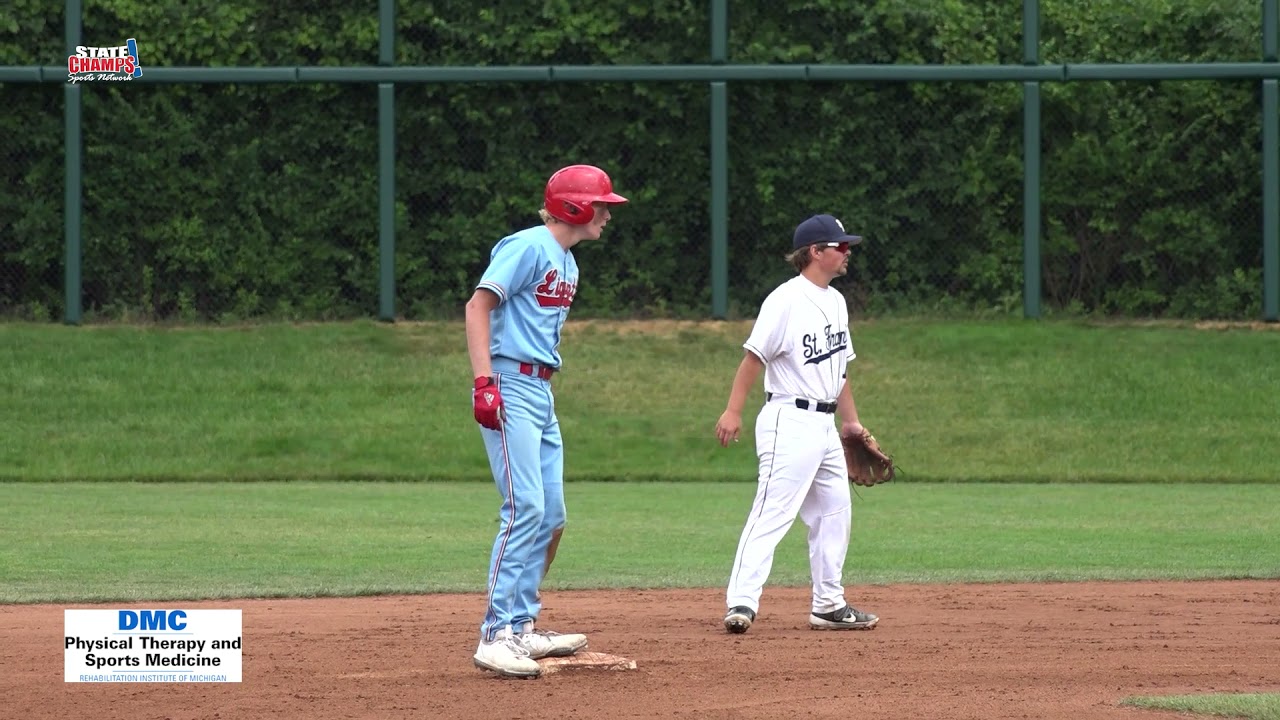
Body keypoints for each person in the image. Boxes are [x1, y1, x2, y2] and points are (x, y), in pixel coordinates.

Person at [465, 164, 628, 678]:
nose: (607, 213)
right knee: (524, 507)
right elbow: (478, 305)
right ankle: (494, 635)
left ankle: (521, 626)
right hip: (509, 383)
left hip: (540, 390)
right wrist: (484, 382)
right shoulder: (530, 246)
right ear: (574, 207)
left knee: (551, 514)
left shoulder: (569, 263)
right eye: (601, 204)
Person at [713, 213, 880, 635]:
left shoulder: (836, 301)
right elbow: (754, 358)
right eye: (840, 246)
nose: (847, 253)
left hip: (824, 426)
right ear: (814, 252)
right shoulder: (785, 300)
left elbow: (839, 370)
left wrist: (852, 424)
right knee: (773, 512)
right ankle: (742, 602)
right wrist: (733, 411)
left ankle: (828, 604)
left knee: (835, 513)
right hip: (788, 418)